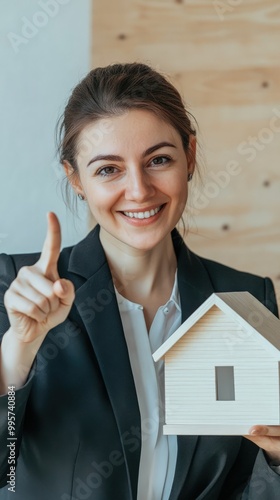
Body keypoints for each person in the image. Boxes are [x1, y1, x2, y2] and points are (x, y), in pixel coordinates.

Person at [0, 62, 279, 500]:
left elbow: (246, 486)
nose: (139, 190)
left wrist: (278, 459)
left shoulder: (244, 300)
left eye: (159, 160)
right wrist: (16, 353)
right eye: (108, 169)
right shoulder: (15, 292)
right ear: (75, 178)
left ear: (189, 155)